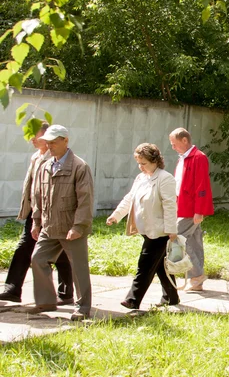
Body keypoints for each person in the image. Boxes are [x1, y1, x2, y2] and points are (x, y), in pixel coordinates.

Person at [0, 122, 73, 304]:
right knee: (25, 247)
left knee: (60, 249)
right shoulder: (36, 156)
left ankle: (66, 291)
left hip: (53, 211)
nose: (32, 139)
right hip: (36, 210)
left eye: (35, 135)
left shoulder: (56, 157)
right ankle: (12, 289)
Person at [28, 125, 94, 321]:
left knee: (79, 267)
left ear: (66, 140)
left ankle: (83, 307)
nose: (50, 145)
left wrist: (78, 226)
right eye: (47, 142)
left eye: (54, 142)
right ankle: (46, 301)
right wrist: (36, 222)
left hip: (70, 227)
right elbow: (37, 196)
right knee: (38, 259)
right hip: (49, 226)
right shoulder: (45, 166)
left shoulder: (79, 167)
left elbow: (85, 200)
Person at [107, 143, 179, 309]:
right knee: (160, 265)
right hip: (146, 229)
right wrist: (116, 215)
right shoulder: (141, 178)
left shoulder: (165, 178)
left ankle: (133, 299)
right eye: (138, 163)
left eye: (144, 163)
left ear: (155, 161)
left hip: (160, 231)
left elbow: (170, 205)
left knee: (145, 264)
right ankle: (171, 297)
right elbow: (129, 199)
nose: (140, 167)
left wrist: (171, 230)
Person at [168, 128, 214, 291]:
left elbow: (202, 185)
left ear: (184, 140)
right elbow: (180, 183)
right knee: (194, 242)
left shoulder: (198, 157)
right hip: (183, 207)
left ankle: (197, 275)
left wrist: (199, 210)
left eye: (174, 143)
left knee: (178, 237)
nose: (172, 147)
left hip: (192, 209)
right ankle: (197, 281)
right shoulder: (183, 158)